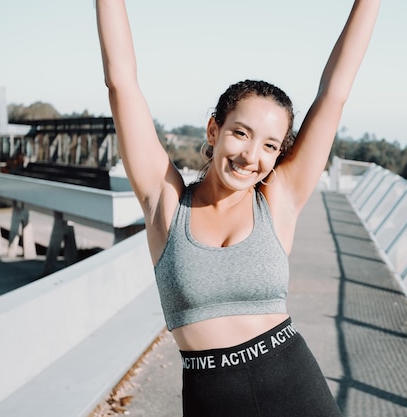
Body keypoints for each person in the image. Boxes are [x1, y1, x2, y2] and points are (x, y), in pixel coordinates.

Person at [96, 1, 379, 416]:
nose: (251, 156)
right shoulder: (167, 203)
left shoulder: (277, 199)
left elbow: (334, 93)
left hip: (295, 389)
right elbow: (121, 83)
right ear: (215, 129)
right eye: (240, 133)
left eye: (269, 145)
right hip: (211, 400)